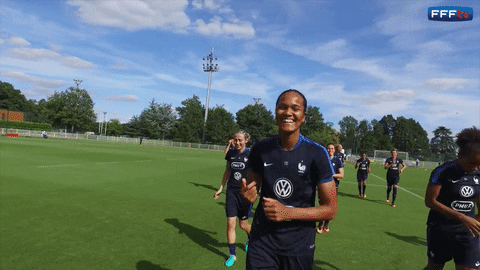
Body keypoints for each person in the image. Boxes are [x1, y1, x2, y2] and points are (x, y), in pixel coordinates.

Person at [241, 89, 338, 270]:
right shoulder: (261, 149)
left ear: (304, 116)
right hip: (262, 242)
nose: (288, 113)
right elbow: (252, 188)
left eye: (295, 108)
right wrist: (248, 195)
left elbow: (330, 210)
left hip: (298, 246)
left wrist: (288, 212)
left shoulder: (317, 153)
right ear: (275, 111)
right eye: (282, 107)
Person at [424, 127, 480, 270]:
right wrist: (462, 217)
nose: (476, 168)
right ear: (461, 156)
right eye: (473, 163)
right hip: (441, 230)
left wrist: (476, 225)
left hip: (468, 232)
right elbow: (430, 201)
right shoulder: (442, 171)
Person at [214, 131, 253, 267]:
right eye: (235, 140)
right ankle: (233, 255)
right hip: (231, 192)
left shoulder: (251, 154)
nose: (237, 142)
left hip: (244, 194)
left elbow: (257, 174)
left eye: (240, 140)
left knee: (243, 225)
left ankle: (251, 239)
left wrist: (255, 189)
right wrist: (221, 188)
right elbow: (227, 171)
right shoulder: (231, 153)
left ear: (246, 140)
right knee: (231, 224)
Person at [318, 143, 344, 233]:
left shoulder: (337, 161)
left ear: (334, 150)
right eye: (329, 148)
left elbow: (341, 175)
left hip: (334, 186)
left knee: (330, 206)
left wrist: (332, 175)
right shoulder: (323, 159)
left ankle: (326, 224)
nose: (330, 150)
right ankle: (320, 224)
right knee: (322, 205)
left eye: (332, 148)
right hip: (322, 186)